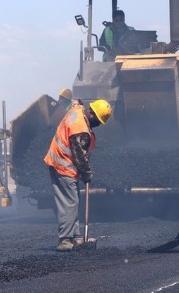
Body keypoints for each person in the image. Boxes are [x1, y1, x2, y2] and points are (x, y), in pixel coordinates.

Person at [43, 98, 112, 252]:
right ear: (92, 115)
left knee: (73, 201)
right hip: (63, 166)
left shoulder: (77, 111)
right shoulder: (80, 128)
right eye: (99, 121)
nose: (98, 125)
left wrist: (77, 102)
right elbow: (78, 154)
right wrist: (87, 172)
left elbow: (75, 103)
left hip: (61, 164)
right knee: (69, 203)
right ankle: (65, 240)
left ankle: (74, 236)